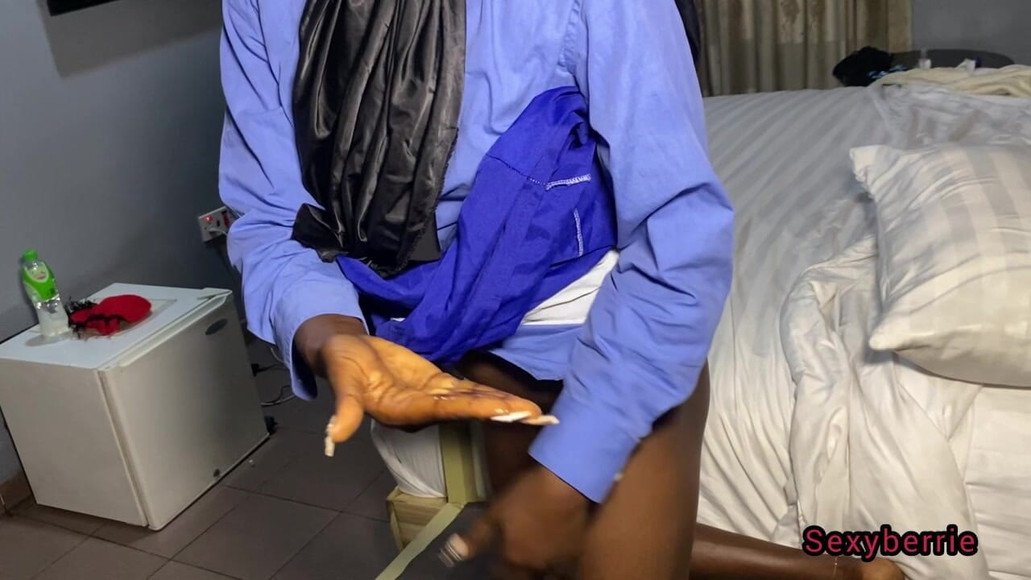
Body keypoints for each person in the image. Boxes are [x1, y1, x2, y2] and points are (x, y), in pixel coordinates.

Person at [219, 0, 905, 578]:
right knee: (549, 542)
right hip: (476, 330)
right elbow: (274, 214)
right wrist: (332, 334)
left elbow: (679, 237)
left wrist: (568, 476)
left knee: (569, 526)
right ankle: (846, 572)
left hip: (609, 318)